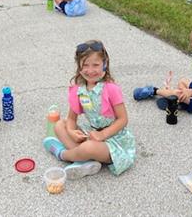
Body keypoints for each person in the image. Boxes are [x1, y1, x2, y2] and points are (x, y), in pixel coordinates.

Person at [43, 40, 136, 179]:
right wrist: (71, 131)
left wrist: (102, 135)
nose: (90, 70)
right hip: (91, 133)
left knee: (88, 148)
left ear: (105, 65)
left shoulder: (111, 89)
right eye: (85, 65)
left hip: (112, 140)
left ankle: (63, 154)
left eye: (96, 65)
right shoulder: (78, 90)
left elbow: (123, 119)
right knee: (59, 125)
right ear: (79, 67)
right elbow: (71, 118)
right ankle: (85, 160)